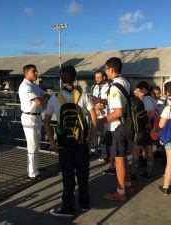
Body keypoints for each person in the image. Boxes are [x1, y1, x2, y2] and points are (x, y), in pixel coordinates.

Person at [44, 65, 97, 217]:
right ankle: (85, 203)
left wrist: (53, 142)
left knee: (68, 177)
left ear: (61, 79)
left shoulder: (55, 98)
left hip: (64, 144)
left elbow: (46, 121)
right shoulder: (83, 95)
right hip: (81, 142)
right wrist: (91, 138)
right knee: (83, 175)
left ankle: (68, 207)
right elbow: (93, 118)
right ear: (75, 78)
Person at [97, 57, 134, 201]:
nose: (105, 72)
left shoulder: (114, 87)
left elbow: (117, 111)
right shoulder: (125, 82)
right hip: (125, 124)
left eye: (106, 69)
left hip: (118, 126)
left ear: (111, 69)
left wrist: (102, 120)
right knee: (123, 157)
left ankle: (120, 191)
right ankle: (128, 184)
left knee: (118, 159)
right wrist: (101, 101)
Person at [18, 64, 50, 179]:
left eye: (36, 71)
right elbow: (38, 101)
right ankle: (31, 173)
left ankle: (35, 168)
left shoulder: (34, 86)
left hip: (37, 117)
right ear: (26, 73)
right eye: (33, 71)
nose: (36, 73)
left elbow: (46, 96)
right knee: (32, 145)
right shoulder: (25, 86)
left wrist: (44, 99)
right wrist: (44, 99)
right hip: (29, 118)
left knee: (36, 145)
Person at [131, 81, 158, 180]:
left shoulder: (146, 99)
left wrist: (145, 123)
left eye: (138, 91)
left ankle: (133, 173)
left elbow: (151, 113)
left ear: (143, 89)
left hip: (145, 129)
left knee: (135, 150)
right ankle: (148, 172)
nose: (137, 93)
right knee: (148, 148)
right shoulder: (150, 97)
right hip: (150, 129)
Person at [90, 70, 107, 155]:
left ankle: (104, 155)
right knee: (94, 133)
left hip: (104, 114)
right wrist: (94, 109)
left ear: (103, 77)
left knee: (104, 136)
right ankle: (95, 150)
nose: (97, 79)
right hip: (95, 114)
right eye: (96, 77)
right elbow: (91, 100)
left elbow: (109, 101)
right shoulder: (93, 87)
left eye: (99, 77)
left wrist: (100, 107)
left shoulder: (108, 87)